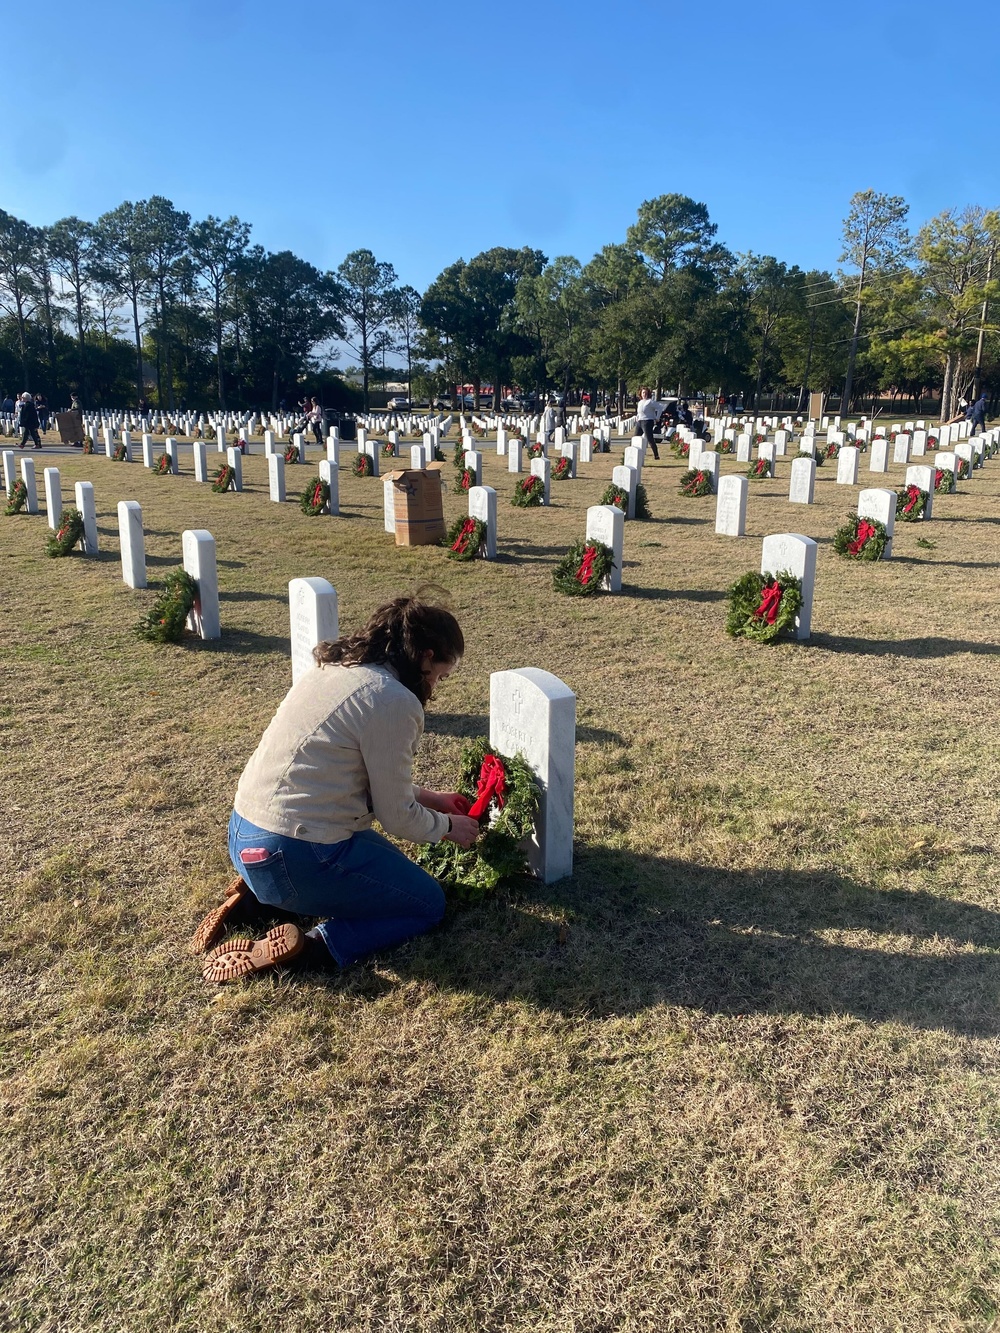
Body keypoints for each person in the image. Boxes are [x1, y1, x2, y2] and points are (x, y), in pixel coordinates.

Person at [194, 592, 480, 983]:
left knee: (386, 873)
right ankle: (311, 948)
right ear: (426, 656)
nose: (436, 684)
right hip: (296, 851)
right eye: (440, 675)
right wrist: (449, 828)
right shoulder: (394, 700)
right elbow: (397, 818)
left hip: (245, 834)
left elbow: (350, 774)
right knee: (426, 903)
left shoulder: (333, 670)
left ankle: (257, 903)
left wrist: (431, 798)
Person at [635, 387, 672, 460]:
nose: (644, 394)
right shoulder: (640, 402)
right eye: (643, 393)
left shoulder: (650, 402)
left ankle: (656, 455)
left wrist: (657, 417)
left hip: (647, 421)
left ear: (648, 394)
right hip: (640, 421)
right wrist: (637, 417)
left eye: (646, 393)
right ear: (641, 394)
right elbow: (639, 412)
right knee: (635, 437)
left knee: (650, 439)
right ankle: (633, 452)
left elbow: (660, 407)